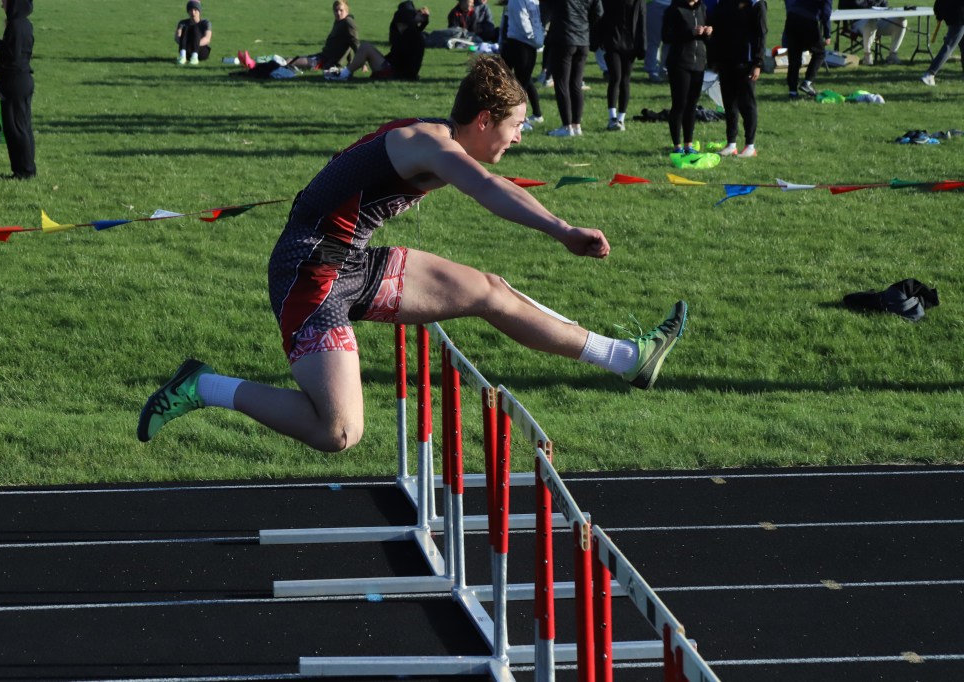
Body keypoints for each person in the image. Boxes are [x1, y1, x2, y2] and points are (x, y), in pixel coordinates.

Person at [137, 56, 688, 453]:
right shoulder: (430, 144)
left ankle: (626, 358)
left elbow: (489, 182)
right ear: (483, 121)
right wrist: (561, 231)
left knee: (490, 292)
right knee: (339, 431)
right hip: (309, 271)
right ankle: (202, 385)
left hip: (351, 261)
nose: (519, 137)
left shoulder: (438, 139)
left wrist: (559, 226)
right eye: (516, 125)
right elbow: (488, 188)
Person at [708, 0, 766, 157]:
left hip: (746, 62)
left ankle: (750, 146)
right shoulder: (724, 3)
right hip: (726, 61)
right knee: (729, 104)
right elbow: (717, 30)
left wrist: (758, 63)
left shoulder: (756, 4)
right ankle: (731, 143)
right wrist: (714, 59)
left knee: (747, 104)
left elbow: (761, 34)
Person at [325, 1, 429, 81]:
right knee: (366, 47)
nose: (398, 27)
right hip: (396, 70)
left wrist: (416, 20)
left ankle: (343, 75)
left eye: (401, 24)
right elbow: (398, 36)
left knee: (365, 47)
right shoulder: (409, 33)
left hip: (397, 73)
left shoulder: (412, 34)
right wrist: (417, 20)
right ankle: (345, 72)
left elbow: (409, 38)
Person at [545, 0, 603, 137]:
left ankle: (567, 126)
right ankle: (576, 125)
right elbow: (598, 12)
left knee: (562, 83)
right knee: (576, 83)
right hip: (582, 38)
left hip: (564, 37)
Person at [662, 0, 710, 153]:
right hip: (679, 63)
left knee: (692, 105)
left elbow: (705, 39)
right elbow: (666, 36)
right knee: (680, 104)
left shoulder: (702, 8)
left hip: (699, 63)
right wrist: (690, 33)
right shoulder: (674, 9)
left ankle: (689, 144)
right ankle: (677, 146)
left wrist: (708, 33)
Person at [0, 0, 33, 179]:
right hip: (24, 79)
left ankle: (23, 171)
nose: (2, 6)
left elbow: (11, 56)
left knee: (15, 128)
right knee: (23, 126)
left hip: (14, 81)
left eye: (5, 2)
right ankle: (26, 167)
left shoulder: (15, 25)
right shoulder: (26, 24)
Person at [595, 0, 645, 131]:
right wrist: (598, 39)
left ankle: (621, 118)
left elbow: (641, 21)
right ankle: (612, 118)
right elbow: (601, 16)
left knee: (625, 80)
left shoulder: (638, 1)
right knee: (615, 77)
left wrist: (642, 46)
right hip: (612, 41)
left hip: (630, 44)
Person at [501, 0, 545, 130]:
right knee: (520, 83)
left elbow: (535, 18)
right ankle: (519, 119)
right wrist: (536, 39)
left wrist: (538, 39)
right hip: (519, 42)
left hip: (526, 44)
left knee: (523, 82)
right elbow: (522, 20)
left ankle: (527, 118)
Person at [287, 1, 360, 72]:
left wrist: (362, 63)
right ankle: (282, 63)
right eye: (336, 10)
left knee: (292, 62)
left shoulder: (348, 22)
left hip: (326, 62)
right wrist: (350, 61)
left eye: (341, 10)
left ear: (346, 11)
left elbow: (354, 42)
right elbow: (348, 42)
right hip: (322, 57)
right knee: (294, 59)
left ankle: (282, 64)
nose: (338, 13)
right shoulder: (339, 21)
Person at [783, 0, 830, 99]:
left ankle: (792, 91)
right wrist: (827, 34)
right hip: (808, 20)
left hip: (792, 17)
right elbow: (826, 12)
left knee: (794, 57)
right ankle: (807, 82)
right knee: (820, 53)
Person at [837, 0, 905, 65]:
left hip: (878, 20)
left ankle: (892, 55)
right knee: (870, 21)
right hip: (858, 21)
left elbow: (885, 5)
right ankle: (867, 56)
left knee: (901, 20)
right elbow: (852, 5)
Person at [921, 0, 964, 85]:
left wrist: (939, 15)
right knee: (949, 46)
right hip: (959, 16)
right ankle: (930, 74)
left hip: (953, 15)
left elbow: (938, 3)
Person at [175, 0, 211, 65]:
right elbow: (177, 38)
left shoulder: (205, 23)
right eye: (190, 10)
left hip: (201, 51)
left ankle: (195, 57)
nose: (193, 12)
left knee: (195, 28)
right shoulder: (182, 23)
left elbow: (207, 38)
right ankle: (182, 56)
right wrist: (188, 45)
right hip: (187, 50)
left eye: (195, 10)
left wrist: (194, 44)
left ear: (199, 11)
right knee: (186, 28)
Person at [645, 0, 672, 81]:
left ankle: (664, 70)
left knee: (669, 41)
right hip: (655, 3)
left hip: (674, 5)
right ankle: (652, 71)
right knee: (653, 41)